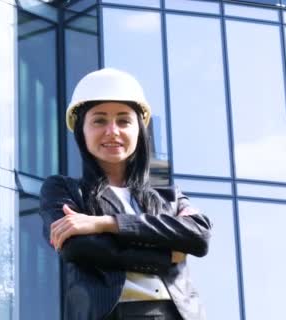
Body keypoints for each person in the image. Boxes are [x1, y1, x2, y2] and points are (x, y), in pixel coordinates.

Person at [39, 68, 212, 320]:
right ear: (81, 131)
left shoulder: (169, 197)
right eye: (99, 120)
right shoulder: (63, 190)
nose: (113, 131)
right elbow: (78, 247)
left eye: (123, 120)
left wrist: (105, 223)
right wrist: (166, 255)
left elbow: (199, 235)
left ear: (139, 131)